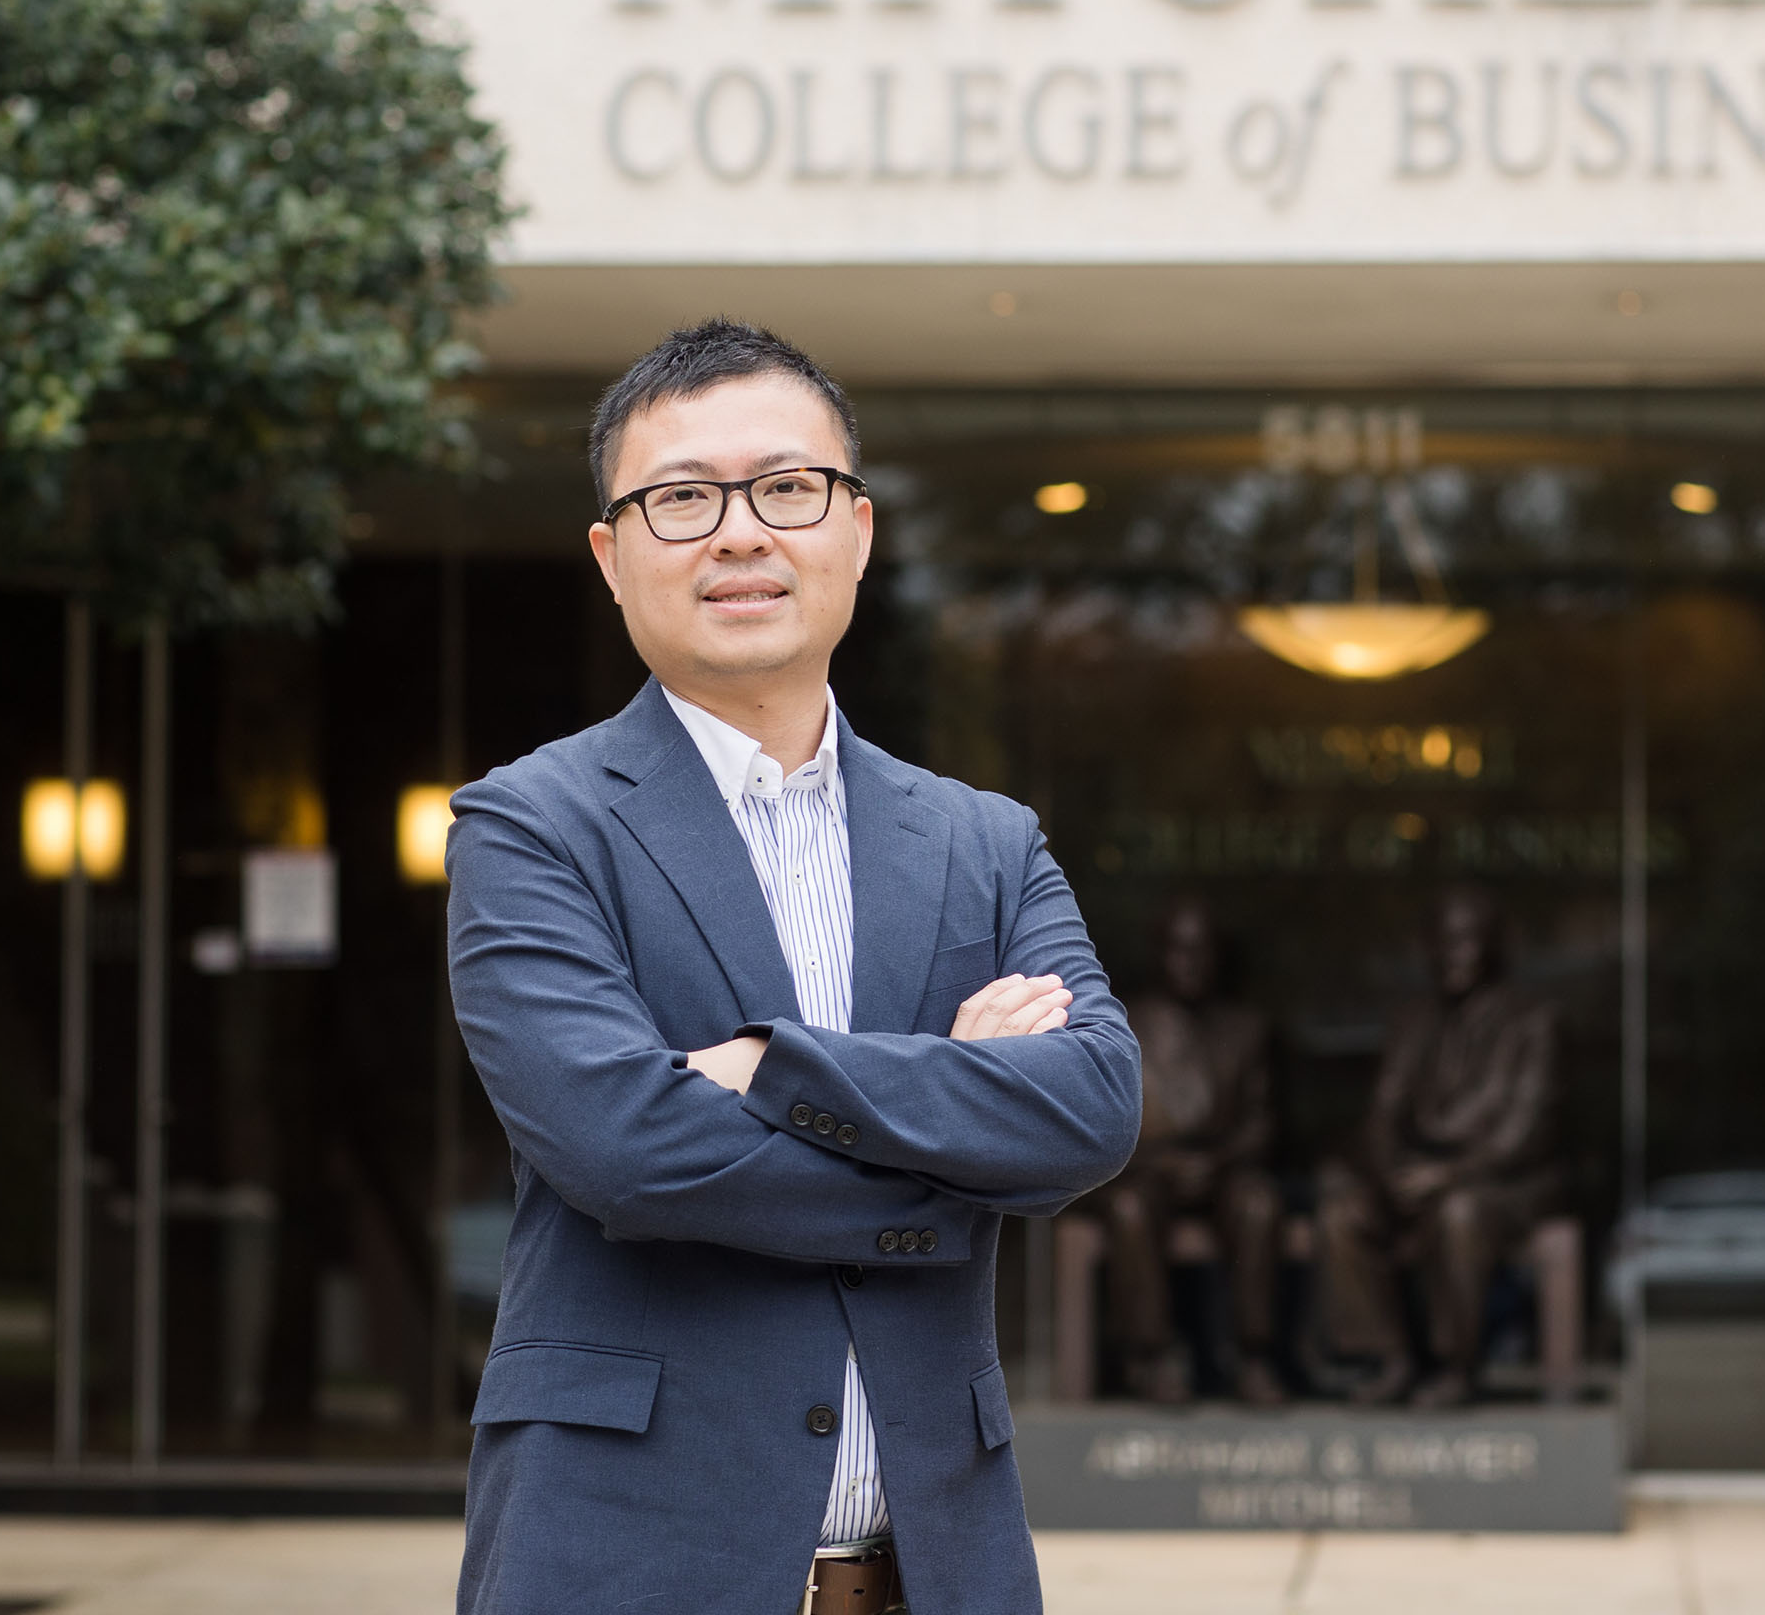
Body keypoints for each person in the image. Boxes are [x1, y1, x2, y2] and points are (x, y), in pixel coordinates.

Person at [444, 319, 1142, 1615]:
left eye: (786, 488)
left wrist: (774, 1067)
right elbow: (626, 1147)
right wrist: (952, 1158)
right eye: (681, 499)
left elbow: (1091, 1107)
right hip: (625, 1566)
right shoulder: (530, 827)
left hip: (938, 1572)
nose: (740, 533)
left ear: (858, 532)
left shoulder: (985, 842)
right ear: (611, 555)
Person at [1315, 885, 1558, 1408]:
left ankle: (1456, 1365)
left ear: (1492, 945)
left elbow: (1525, 1132)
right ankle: (1389, 1357)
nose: (1453, 954)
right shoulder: (1413, 1019)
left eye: (1467, 940)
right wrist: (1392, 1174)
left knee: (1459, 1214)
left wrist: (1447, 1177)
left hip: (1500, 1180)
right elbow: (1382, 1113)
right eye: (1443, 941)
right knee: (1342, 1214)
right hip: (1412, 1176)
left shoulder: (1531, 1020)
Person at [1103, 895, 1284, 1404]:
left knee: (1259, 1204)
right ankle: (1152, 1357)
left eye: (1202, 951)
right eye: (1180, 950)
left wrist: (1218, 1161)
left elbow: (1262, 1125)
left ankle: (1253, 1357)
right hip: (1141, 1171)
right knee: (1130, 1208)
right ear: (1159, 953)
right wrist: (1157, 1162)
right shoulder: (1122, 1023)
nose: (1192, 963)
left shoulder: (1246, 1029)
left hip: (1222, 1168)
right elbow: (1101, 1121)